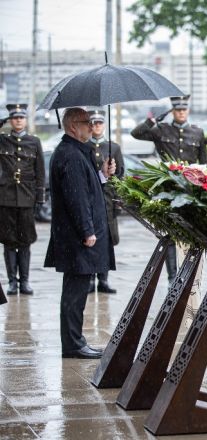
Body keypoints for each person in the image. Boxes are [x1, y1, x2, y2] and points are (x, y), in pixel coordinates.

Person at [45, 107, 116, 359]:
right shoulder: (71, 155)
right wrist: (87, 231)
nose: (91, 125)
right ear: (73, 126)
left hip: (74, 237)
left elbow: (86, 186)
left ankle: (75, 341)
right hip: (77, 239)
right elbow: (77, 199)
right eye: (86, 122)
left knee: (76, 291)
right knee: (75, 294)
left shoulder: (74, 152)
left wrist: (102, 175)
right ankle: (74, 344)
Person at [131, 95, 207, 285]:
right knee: (171, 234)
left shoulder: (197, 133)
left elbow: (204, 164)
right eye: (177, 110)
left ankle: (189, 273)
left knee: (191, 234)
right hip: (168, 191)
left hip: (190, 191)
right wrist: (153, 119)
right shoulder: (161, 130)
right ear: (173, 111)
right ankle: (173, 276)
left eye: (184, 109)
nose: (181, 112)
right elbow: (136, 133)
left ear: (188, 110)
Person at [0, 104, 46, 296]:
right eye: (14, 118)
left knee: (25, 241)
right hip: (6, 198)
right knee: (9, 242)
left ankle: (25, 281)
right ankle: (12, 282)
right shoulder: (2, 141)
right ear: (10, 120)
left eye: (21, 117)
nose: (18, 120)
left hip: (26, 198)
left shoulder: (33, 142)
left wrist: (39, 198)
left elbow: (40, 172)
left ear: (26, 120)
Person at [86, 110, 125, 294]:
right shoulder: (84, 146)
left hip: (108, 199)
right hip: (90, 200)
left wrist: (118, 201)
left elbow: (120, 176)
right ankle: (90, 279)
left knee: (107, 241)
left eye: (100, 123)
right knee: (90, 239)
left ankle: (104, 279)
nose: (96, 126)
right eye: (93, 123)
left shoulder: (113, 148)